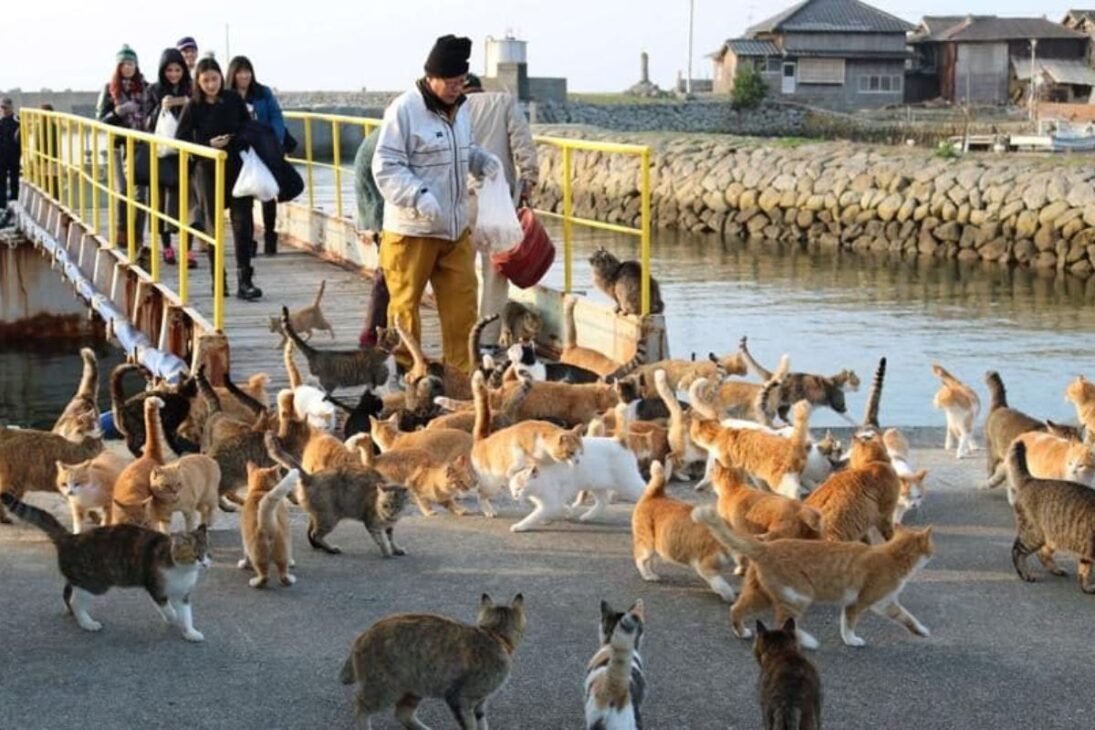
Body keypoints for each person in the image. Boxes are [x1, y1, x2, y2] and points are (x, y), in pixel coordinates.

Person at [372, 34, 499, 373]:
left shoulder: (462, 110)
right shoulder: (404, 110)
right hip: (411, 230)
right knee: (404, 308)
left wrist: (481, 160)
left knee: (462, 307)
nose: (458, 87)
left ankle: (461, 377)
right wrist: (418, 195)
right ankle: (407, 375)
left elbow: (465, 149)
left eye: (462, 81)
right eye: (452, 81)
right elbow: (385, 165)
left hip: (455, 228)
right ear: (432, 77)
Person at [175, 56, 262, 301]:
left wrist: (236, 138)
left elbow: (248, 127)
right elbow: (180, 139)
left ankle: (245, 280)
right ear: (199, 82)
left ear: (221, 78)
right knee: (213, 225)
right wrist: (207, 144)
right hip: (206, 169)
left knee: (243, 222)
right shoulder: (193, 106)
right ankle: (218, 279)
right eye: (206, 81)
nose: (211, 85)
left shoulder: (233, 99)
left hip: (236, 165)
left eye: (215, 79)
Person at [462, 73, 538, 343]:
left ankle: (462, 338)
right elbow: (522, 144)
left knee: (460, 272)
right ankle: (487, 342)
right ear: (481, 87)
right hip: (498, 201)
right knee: (495, 274)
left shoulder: (453, 107)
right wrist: (528, 178)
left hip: (461, 200)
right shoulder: (503, 102)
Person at [227, 55, 285, 256]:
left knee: (268, 192)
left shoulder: (263, 93)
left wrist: (274, 139)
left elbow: (276, 116)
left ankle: (270, 236)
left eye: (247, 71)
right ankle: (249, 241)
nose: (244, 75)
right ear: (233, 74)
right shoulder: (228, 95)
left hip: (264, 146)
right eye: (240, 72)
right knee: (247, 195)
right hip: (241, 151)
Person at [145, 47, 197, 267]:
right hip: (162, 154)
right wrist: (161, 108)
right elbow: (146, 123)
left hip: (186, 153)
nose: (174, 74)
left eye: (177, 70)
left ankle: (187, 250)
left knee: (188, 203)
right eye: (169, 70)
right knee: (161, 202)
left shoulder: (191, 88)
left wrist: (187, 103)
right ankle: (166, 247)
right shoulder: (154, 91)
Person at [96, 44, 149, 250]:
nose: (128, 68)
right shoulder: (109, 89)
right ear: (118, 67)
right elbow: (100, 120)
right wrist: (118, 112)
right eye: (124, 64)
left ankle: (137, 238)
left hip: (141, 145)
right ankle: (122, 233)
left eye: (131, 64)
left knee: (141, 195)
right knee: (123, 190)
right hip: (119, 145)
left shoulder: (145, 87)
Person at [353, 129, 389, 347]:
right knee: (386, 277)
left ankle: (374, 331)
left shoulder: (377, 136)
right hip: (382, 217)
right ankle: (373, 332)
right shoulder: (385, 140)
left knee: (386, 276)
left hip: (374, 214)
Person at [0, 98, 19, 214]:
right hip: (1, 156)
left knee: (14, 180)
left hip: (14, 155)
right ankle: (1, 205)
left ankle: (14, 200)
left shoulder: (17, 121)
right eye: (2, 108)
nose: (3, 110)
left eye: (5, 108)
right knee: (1, 181)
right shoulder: (1, 122)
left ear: (11, 108)